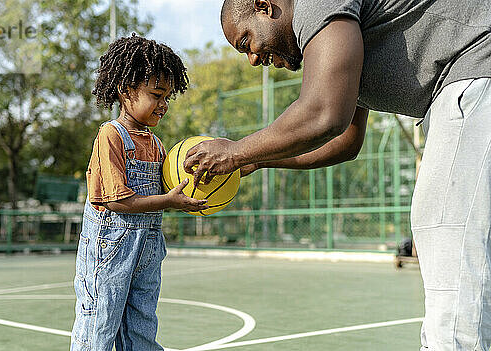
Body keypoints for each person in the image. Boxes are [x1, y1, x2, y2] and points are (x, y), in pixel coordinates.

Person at [182, 0, 491, 349]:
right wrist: (255, 160)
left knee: (443, 222)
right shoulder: (337, 31)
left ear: (264, 6)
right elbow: (345, 141)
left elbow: (324, 113)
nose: (253, 60)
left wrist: (236, 151)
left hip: (476, 71)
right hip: (467, 82)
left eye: (245, 42)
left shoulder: (314, 3)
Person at [70, 34, 208, 351]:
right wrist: (170, 201)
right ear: (126, 90)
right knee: (99, 326)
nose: (164, 105)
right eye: (157, 94)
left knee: (142, 328)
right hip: (111, 247)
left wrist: (197, 181)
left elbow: (169, 189)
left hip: (147, 247)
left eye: (168, 97)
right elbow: (118, 200)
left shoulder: (157, 145)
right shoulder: (111, 134)